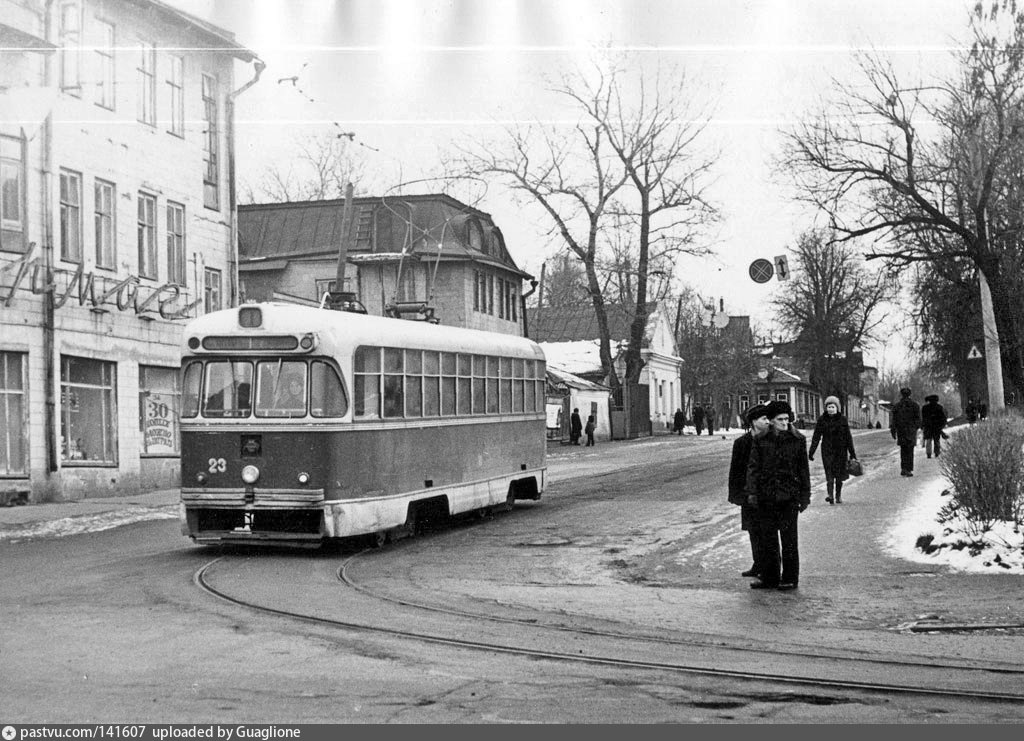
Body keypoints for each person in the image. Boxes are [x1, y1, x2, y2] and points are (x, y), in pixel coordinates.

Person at [745, 400, 811, 591]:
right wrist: (752, 493)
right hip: (766, 497)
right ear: (772, 421)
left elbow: (803, 470)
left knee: (789, 540)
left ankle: (790, 577)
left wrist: (804, 496)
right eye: (780, 419)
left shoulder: (797, 440)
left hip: (789, 497)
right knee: (768, 540)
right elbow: (753, 468)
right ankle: (770, 577)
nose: (784, 423)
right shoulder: (761, 440)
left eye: (787, 419)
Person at [728, 404, 771, 579]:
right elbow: (735, 470)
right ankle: (758, 563)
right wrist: (735, 494)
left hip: (766, 493)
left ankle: (769, 565)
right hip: (748, 493)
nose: (767, 422)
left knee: (766, 530)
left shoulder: (771, 440)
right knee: (753, 530)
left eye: (768, 419)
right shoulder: (742, 443)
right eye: (763, 419)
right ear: (753, 422)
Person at [808, 396, 857, 505]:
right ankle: (830, 496)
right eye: (828, 407)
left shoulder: (842, 419)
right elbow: (816, 436)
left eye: (833, 407)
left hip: (841, 451)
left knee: (839, 475)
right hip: (827, 450)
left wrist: (852, 454)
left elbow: (848, 437)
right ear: (826, 408)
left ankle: (838, 496)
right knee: (829, 474)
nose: (830, 409)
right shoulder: (821, 419)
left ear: (837, 408)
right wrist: (811, 451)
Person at [889, 387, 922, 477]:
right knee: (910, 450)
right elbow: (918, 419)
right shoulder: (915, 405)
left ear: (901, 394)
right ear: (910, 394)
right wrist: (915, 427)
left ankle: (903, 468)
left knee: (903, 450)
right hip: (911, 430)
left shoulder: (897, 406)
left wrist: (893, 430)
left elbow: (894, 420)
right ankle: (908, 469)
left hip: (901, 430)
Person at [921, 394, 947, 459]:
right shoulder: (939, 407)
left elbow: (923, 418)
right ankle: (937, 453)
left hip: (928, 426)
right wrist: (942, 426)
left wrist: (923, 425)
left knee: (928, 441)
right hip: (937, 427)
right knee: (936, 440)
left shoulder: (925, 408)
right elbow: (943, 418)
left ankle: (928, 453)